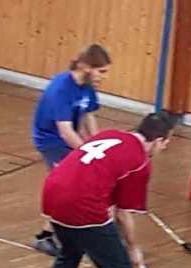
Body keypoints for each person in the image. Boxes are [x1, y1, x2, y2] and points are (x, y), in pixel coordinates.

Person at [30, 112, 173, 268]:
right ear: (158, 140)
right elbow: (124, 214)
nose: (163, 149)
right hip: (82, 205)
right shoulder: (140, 162)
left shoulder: (110, 134)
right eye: (165, 144)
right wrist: (133, 248)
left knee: (70, 251)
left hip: (52, 194)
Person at [31, 44, 112, 256]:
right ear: (86, 67)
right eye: (101, 71)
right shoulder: (61, 89)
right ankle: (44, 236)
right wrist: (89, 154)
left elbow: (88, 114)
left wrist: (97, 144)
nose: (104, 77)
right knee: (67, 184)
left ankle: (76, 229)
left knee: (81, 183)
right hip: (51, 141)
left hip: (67, 138)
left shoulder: (88, 85)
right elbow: (65, 131)